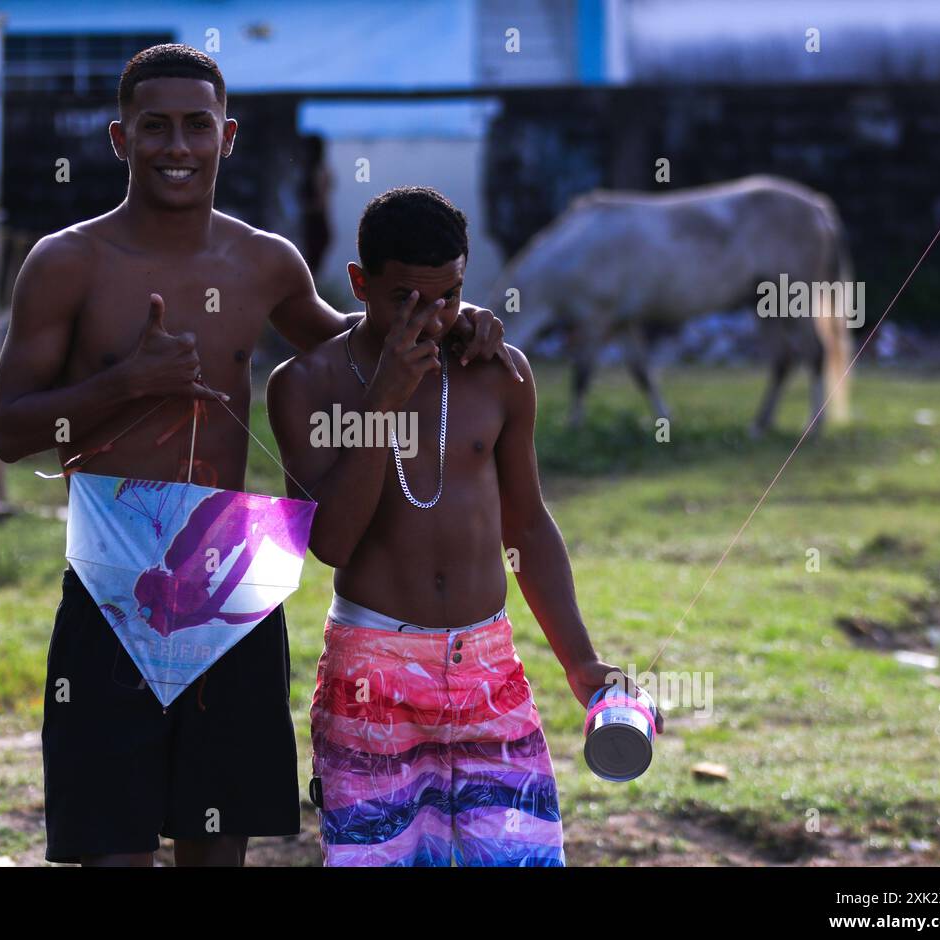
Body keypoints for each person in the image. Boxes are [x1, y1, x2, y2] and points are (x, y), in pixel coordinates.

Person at [0, 45, 514, 867]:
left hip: (230, 577)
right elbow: (10, 431)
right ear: (120, 137)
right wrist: (127, 383)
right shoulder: (67, 263)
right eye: (154, 126)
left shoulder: (265, 260)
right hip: (110, 576)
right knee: (109, 843)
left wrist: (453, 313)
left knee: (217, 846)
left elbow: (358, 339)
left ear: (227, 137)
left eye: (198, 126)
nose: (177, 145)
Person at [266, 186, 662, 866]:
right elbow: (329, 543)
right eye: (405, 299)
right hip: (372, 671)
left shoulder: (495, 371)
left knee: (522, 858)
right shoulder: (306, 383)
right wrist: (380, 403)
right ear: (360, 283)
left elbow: (528, 527)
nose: (430, 317)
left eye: (448, 295)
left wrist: (580, 661)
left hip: (488, 666)